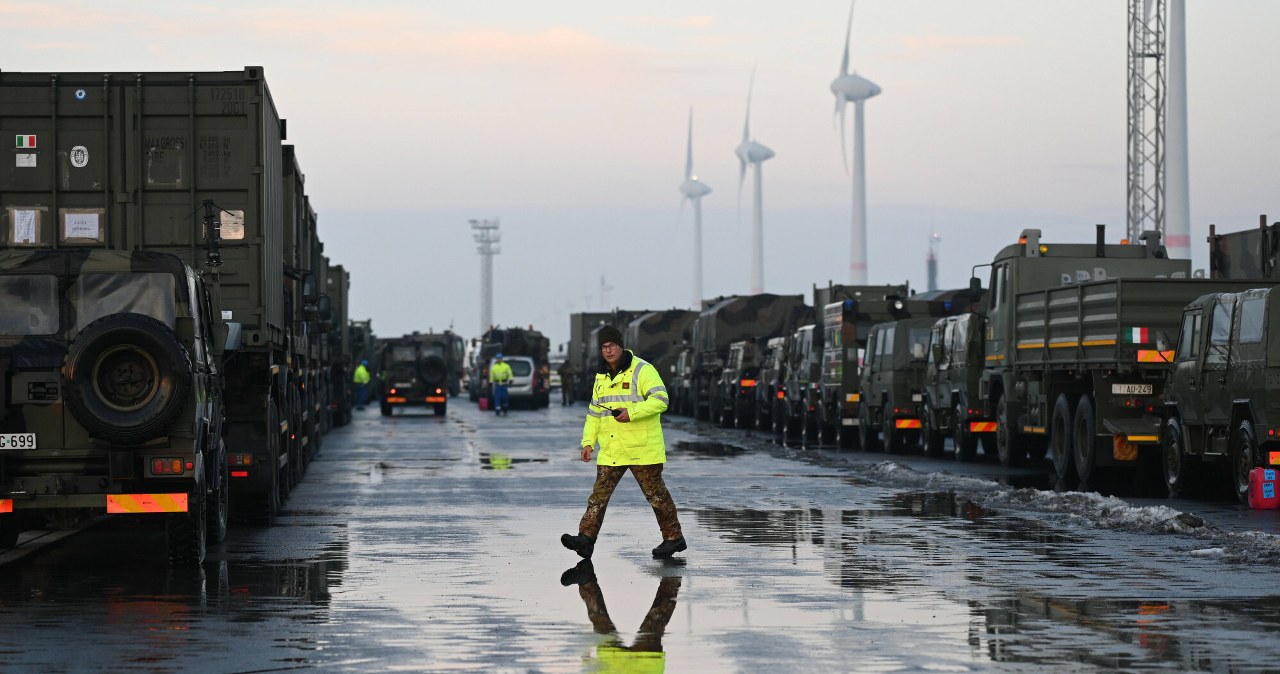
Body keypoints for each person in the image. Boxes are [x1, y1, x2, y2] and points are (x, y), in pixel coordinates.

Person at [562, 326, 686, 560]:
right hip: (612, 449)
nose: (608, 351)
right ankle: (585, 539)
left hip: (642, 448)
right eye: (604, 347)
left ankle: (674, 538)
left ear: (621, 346)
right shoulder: (601, 377)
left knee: (656, 496)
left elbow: (661, 400)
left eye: (612, 346)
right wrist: (588, 443)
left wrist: (632, 412)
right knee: (598, 496)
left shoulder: (642, 369)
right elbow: (594, 414)